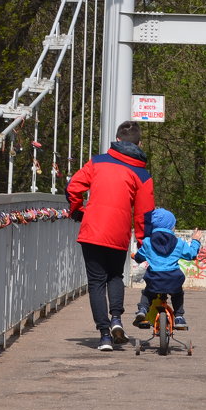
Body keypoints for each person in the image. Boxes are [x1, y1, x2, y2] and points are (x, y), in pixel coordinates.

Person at [66, 121, 155, 351]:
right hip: (118, 234)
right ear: (140, 144)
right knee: (115, 276)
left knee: (96, 282)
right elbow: (144, 214)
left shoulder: (97, 162)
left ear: (116, 140)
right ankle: (116, 320)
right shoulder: (142, 174)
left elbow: (74, 187)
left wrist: (76, 210)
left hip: (92, 230)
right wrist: (144, 242)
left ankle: (104, 335)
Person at [132, 207, 201, 331]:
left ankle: (142, 310)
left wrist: (136, 257)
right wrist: (195, 240)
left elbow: (139, 256)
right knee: (178, 294)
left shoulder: (148, 242)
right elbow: (192, 254)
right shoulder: (179, 243)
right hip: (173, 279)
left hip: (155, 279)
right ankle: (179, 317)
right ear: (171, 226)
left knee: (148, 293)